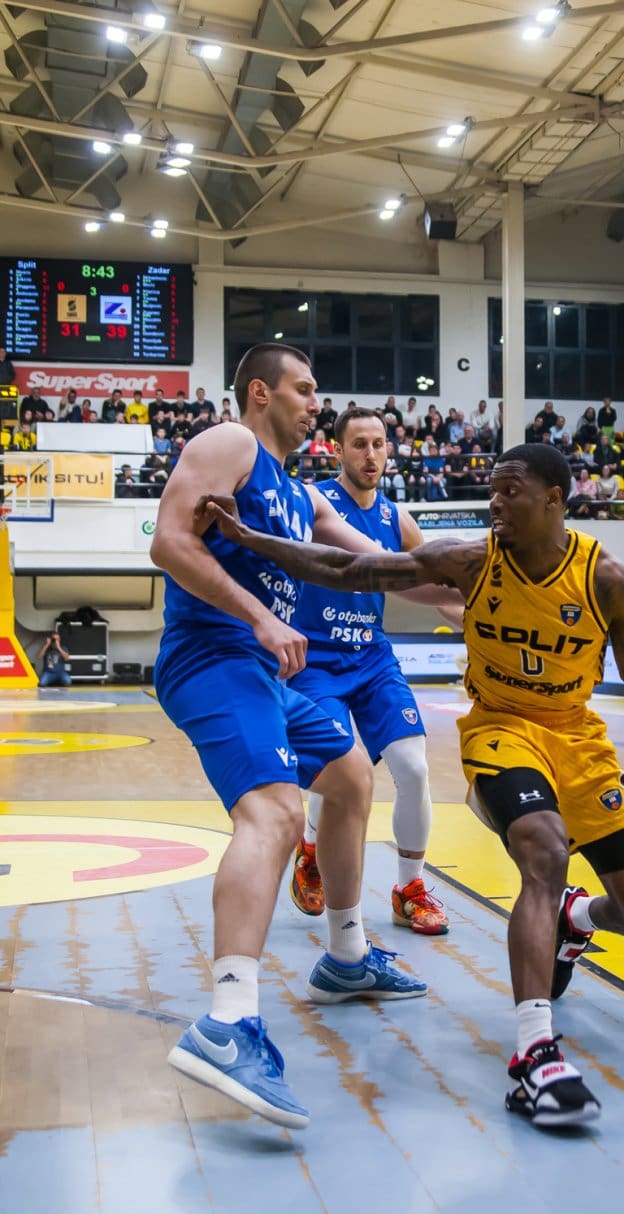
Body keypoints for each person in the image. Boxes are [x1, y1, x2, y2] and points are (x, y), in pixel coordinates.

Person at [200, 442, 624, 1129]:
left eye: (510, 491)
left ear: (553, 500)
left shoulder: (607, 579)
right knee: (544, 850)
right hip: (500, 731)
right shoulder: (471, 559)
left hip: (579, 742)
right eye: (492, 490)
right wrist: (253, 540)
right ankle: (535, 1055)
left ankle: (575, 921)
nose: (494, 502)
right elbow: (348, 567)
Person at [149, 343, 426, 1132]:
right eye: (304, 390)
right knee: (274, 813)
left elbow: (385, 564)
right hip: (212, 656)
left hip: (259, 669)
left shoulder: (301, 496)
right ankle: (227, 1022)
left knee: (351, 776)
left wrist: (480, 583)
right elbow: (167, 542)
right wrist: (262, 617)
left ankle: (345, 954)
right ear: (261, 392)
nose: (315, 404)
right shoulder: (229, 443)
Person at [289, 408, 462, 934]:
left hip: (372, 658)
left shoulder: (397, 519)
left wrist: (483, 620)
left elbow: (439, 590)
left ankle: (410, 889)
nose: (371, 454)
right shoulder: (312, 501)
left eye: (379, 444)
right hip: (316, 661)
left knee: (413, 767)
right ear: (337, 450)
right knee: (339, 767)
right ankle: (311, 850)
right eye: (359, 444)